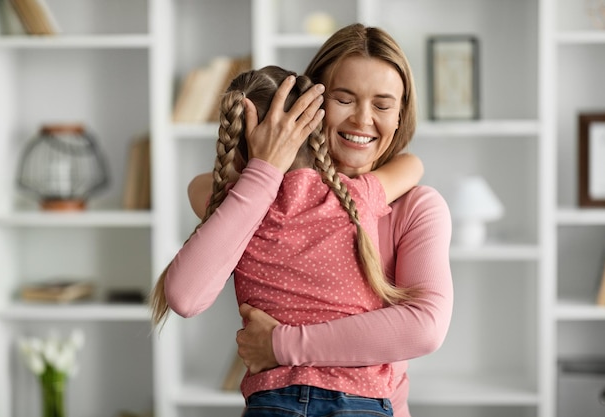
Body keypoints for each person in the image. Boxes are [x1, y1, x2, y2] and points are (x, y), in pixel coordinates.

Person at [186, 23, 453, 417]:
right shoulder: (260, 196)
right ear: (310, 104)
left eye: (382, 105)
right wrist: (267, 168)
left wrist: (280, 345)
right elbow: (187, 294)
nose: (363, 120)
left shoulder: (415, 208)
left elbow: (423, 326)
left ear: (400, 116)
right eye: (344, 99)